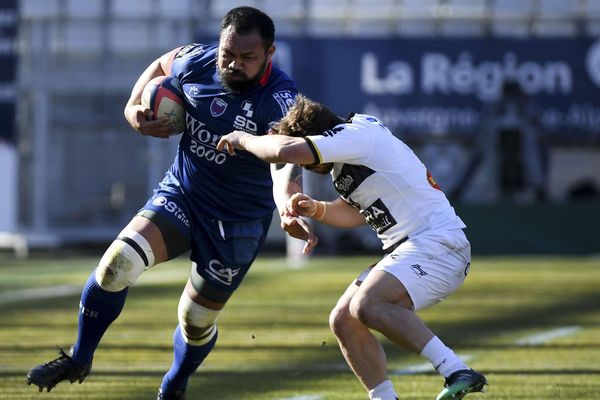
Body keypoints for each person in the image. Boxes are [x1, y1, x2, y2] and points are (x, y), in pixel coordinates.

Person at [26, 7, 315, 400]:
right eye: (228, 53)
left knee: (194, 321)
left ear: (270, 54)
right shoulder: (197, 61)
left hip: (237, 223)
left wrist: (287, 203)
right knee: (116, 265)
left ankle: (174, 385)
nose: (233, 64)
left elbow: (284, 159)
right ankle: (80, 357)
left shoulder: (279, 99)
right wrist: (133, 110)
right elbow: (162, 64)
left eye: (248, 58)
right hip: (183, 194)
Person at [217, 95, 488, 400]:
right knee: (344, 319)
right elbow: (358, 212)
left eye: (306, 158)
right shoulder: (349, 151)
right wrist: (315, 209)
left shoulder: (354, 136)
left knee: (367, 305)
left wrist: (241, 139)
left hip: (438, 244)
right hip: (414, 246)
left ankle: (455, 369)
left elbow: (283, 151)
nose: (302, 166)